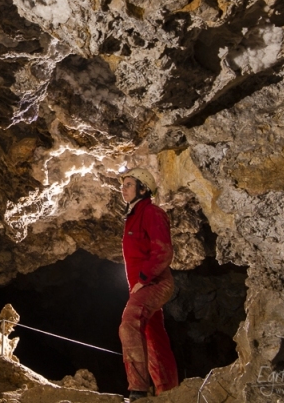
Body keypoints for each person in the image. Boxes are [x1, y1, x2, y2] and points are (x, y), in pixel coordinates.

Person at [118, 167, 178, 402]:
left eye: (129, 184)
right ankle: (168, 392)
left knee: (129, 322)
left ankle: (138, 390)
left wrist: (143, 279)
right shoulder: (132, 216)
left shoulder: (152, 212)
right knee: (154, 338)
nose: (124, 189)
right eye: (123, 185)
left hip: (156, 283)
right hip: (141, 285)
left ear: (143, 188)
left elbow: (163, 252)